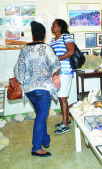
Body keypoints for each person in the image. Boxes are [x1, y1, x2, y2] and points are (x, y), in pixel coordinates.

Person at [14, 21, 61, 157]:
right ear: (45, 35)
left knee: (41, 114)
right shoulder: (46, 48)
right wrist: (56, 76)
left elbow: (18, 69)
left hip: (29, 90)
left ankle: (45, 139)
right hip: (42, 88)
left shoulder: (24, 49)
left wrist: (24, 82)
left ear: (33, 35)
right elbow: (56, 64)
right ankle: (36, 148)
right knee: (41, 117)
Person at [50, 19, 75, 134]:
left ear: (60, 27)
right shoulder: (52, 40)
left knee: (63, 96)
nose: (52, 27)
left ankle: (65, 125)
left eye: (54, 25)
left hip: (65, 71)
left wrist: (57, 59)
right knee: (60, 96)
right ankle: (66, 120)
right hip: (56, 72)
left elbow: (71, 51)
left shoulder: (66, 37)